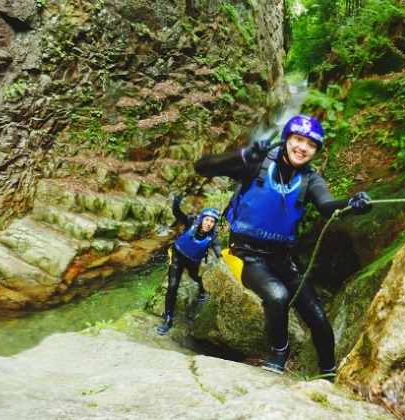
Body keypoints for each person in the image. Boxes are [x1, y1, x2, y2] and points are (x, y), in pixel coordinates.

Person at [194, 115, 372, 378]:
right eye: (298, 140)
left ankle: (328, 373)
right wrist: (242, 156)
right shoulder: (257, 165)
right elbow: (203, 166)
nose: (303, 148)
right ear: (287, 139)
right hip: (245, 253)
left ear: (316, 151)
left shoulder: (311, 180)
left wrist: (351, 204)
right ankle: (279, 351)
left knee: (317, 316)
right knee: (277, 295)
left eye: (311, 145)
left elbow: (326, 206)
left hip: (282, 257)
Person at [157, 195, 223, 335]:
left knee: (196, 277)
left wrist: (225, 259)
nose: (209, 223)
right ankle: (168, 320)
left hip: (193, 262)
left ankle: (202, 290)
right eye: (207, 220)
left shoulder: (213, 237)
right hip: (177, 258)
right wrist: (176, 203)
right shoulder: (191, 221)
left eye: (212, 221)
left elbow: (220, 254)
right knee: (173, 287)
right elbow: (178, 214)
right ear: (201, 219)